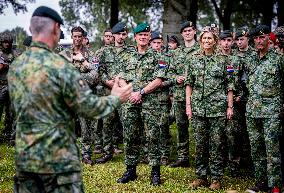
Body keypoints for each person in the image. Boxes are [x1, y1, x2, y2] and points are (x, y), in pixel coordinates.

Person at [9, 6, 132, 193]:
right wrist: (116, 98)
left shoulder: (17, 65)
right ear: (56, 28)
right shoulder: (60, 66)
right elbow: (90, 108)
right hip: (58, 162)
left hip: (26, 158)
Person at [116, 23, 166, 185]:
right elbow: (121, 78)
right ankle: (131, 170)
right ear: (135, 37)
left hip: (150, 103)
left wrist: (141, 92)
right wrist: (131, 93)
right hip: (130, 102)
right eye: (140, 35)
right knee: (130, 136)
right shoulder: (126, 56)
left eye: (146, 35)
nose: (143, 37)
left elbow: (159, 80)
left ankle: (155, 172)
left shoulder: (158, 57)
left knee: (153, 136)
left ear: (149, 36)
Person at [185, 26, 234, 190]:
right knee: (200, 144)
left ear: (215, 41)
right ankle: (201, 177)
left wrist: (230, 106)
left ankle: (216, 178)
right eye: (204, 38)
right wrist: (188, 106)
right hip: (198, 108)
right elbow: (189, 84)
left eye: (210, 38)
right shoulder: (193, 59)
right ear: (200, 40)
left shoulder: (224, 60)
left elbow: (230, 85)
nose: (206, 41)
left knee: (216, 144)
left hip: (217, 109)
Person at [245, 25, 283, 193]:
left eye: (262, 38)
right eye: (256, 38)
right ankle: (261, 182)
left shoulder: (278, 59)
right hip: (252, 111)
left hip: (271, 112)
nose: (259, 41)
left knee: (272, 150)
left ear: (269, 37)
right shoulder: (251, 59)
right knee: (256, 148)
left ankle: (274, 185)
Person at [60, 26, 99, 165]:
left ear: (83, 38)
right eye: (75, 36)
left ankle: (86, 154)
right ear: (72, 36)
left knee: (86, 127)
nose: (77, 39)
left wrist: (82, 61)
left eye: (79, 36)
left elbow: (95, 77)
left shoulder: (90, 54)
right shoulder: (64, 54)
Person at [169, 21, 199, 168]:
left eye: (189, 30)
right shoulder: (176, 53)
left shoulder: (201, 49)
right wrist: (176, 78)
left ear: (194, 31)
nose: (187, 33)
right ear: (181, 34)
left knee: (198, 128)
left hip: (199, 96)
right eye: (184, 31)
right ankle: (183, 157)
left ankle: (201, 157)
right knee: (181, 126)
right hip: (180, 95)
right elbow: (169, 72)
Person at [0, 32, 21, 143]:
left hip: (13, 86)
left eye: (8, 42)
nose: (6, 44)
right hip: (1, 85)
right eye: (4, 42)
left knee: (12, 112)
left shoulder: (16, 53)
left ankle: (11, 136)